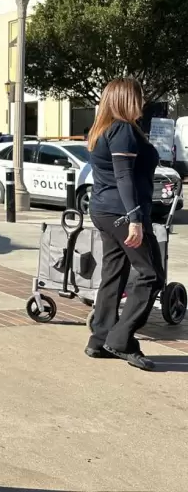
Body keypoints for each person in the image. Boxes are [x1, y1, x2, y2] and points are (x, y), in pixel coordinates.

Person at [85, 78, 164, 371]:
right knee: (151, 274)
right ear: (127, 99)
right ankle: (120, 340)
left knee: (114, 273)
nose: (142, 102)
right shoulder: (122, 131)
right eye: (139, 96)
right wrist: (135, 219)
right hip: (122, 213)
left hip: (104, 211)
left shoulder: (102, 129)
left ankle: (100, 339)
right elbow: (123, 178)